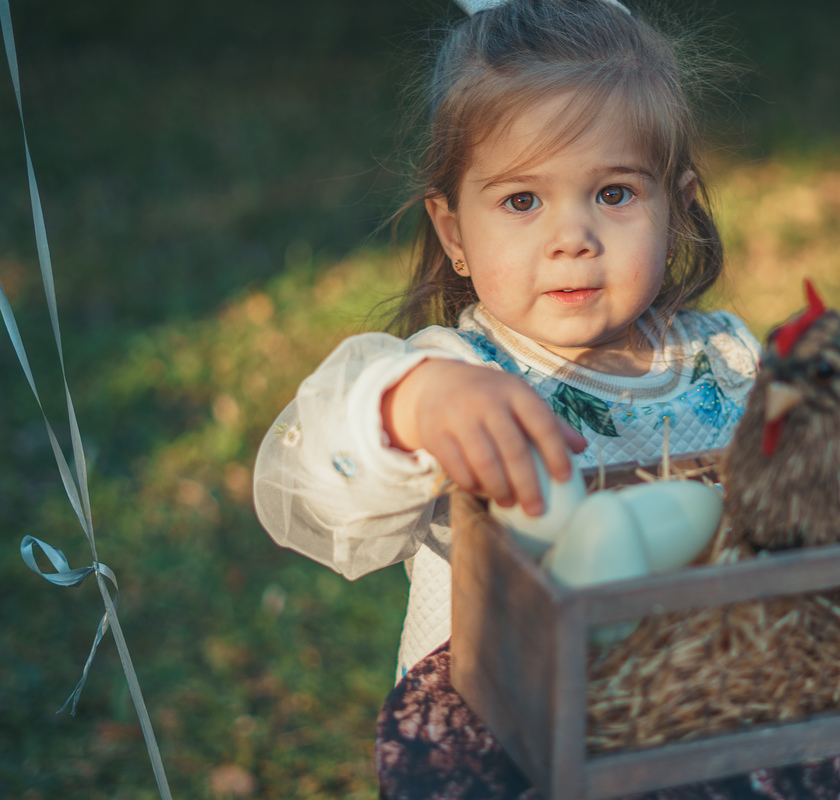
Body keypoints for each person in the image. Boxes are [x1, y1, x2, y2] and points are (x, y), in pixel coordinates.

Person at [253, 0, 761, 680]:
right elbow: (318, 489)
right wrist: (410, 407)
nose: (572, 239)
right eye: (523, 201)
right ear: (454, 233)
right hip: (507, 709)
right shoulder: (461, 375)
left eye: (614, 194)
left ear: (676, 212)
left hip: (697, 702)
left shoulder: (728, 361)